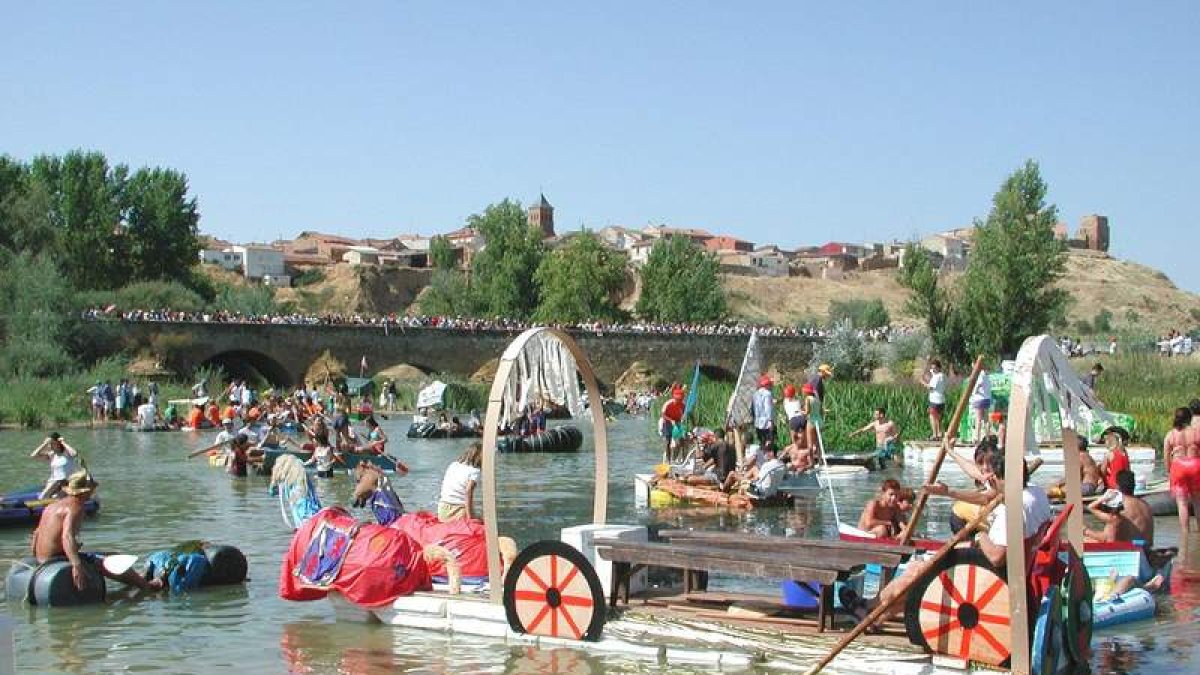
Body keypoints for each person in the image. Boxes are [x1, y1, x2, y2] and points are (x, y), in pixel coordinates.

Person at [843, 448, 1051, 626]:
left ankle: (868, 606)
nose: (988, 480)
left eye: (991, 476)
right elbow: (987, 497)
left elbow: (996, 556)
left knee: (915, 572)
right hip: (1012, 567)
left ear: (1001, 478)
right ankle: (871, 617)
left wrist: (980, 536)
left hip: (990, 571)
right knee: (919, 573)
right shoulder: (1036, 494)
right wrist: (948, 492)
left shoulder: (1010, 511)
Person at [31, 471, 163, 592]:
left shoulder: (52, 506)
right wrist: (76, 565)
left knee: (111, 554)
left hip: (42, 557)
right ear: (84, 491)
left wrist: (35, 558)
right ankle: (147, 586)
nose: (93, 492)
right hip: (56, 558)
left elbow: (36, 533)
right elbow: (67, 536)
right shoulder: (75, 507)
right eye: (91, 490)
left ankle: (135, 580)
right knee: (109, 561)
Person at [1085, 471, 1165, 598]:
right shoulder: (1146, 506)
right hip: (1146, 556)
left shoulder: (1119, 506)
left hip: (1128, 559)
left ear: (1117, 486)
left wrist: (1087, 532)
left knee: (1086, 540)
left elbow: (1108, 538)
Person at [1164, 407, 1200, 542]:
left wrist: (1169, 471)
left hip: (1178, 466)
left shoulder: (1170, 435)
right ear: (1189, 418)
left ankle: (1185, 534)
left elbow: (1166, 456)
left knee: (1182, 503)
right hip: (1195, 465)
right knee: (1197, 502)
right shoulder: (1196, 433)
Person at [438, 442, 482, 522]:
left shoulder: (453, 464)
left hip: (442, 509)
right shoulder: (475, 471)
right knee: (484, 522)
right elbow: (468, 492)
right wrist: (470, 517)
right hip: (458, 510)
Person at [30, 433, 80, 499]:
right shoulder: (52, 455)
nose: (49, 445)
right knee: (44, 497)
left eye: (51, 443)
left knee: (45, 497)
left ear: (57, 443)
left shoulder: (67, 453)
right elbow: (33, 455)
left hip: (65, 482)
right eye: (49, 443)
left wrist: (63, 442)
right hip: (53, 481)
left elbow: (74, 453)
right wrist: (44, 444)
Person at [658, 386, 685, 462]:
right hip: (666, 422)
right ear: (674, 398)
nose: (679, 401)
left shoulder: (683, 405)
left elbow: (686, 414)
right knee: (668, 442)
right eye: (678, 399)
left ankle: (676, 459)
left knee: (680, 441)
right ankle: (668, 460)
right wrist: (671, 420)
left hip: (677, 423)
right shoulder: (668, 403)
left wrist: (684, 419)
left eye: (680, 399)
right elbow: (663, 415)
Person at [921, 359, 946, 441]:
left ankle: (935, 435)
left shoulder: (937, 376)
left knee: (932, 417)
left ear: (938, 368)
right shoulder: (942, 375)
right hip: (941, 400)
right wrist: (928, 362)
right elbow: (929, 371)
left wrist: (923, 382)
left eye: (935, 368)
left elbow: (931, 387)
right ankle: (939, 433)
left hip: (935, 400)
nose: (933, 369)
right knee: (938, 419)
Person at [969, 368, 992, 443]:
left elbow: (979, 384)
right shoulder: (987, 377)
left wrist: (973, 392)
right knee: (986, 420)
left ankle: (977, 438)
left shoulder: (980, 376)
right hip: (987, 399)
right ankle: (988, 437)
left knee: (978, 420)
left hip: (979, 399)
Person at [752, 375, 776, 447]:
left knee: (762, 441)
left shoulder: (755, 394)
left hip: (758, 422)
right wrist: (771, 420)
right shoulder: (767, 394)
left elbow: (753, 408)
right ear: (767, 384)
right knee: (769, 441)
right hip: (766, 422)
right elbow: (768, 408)